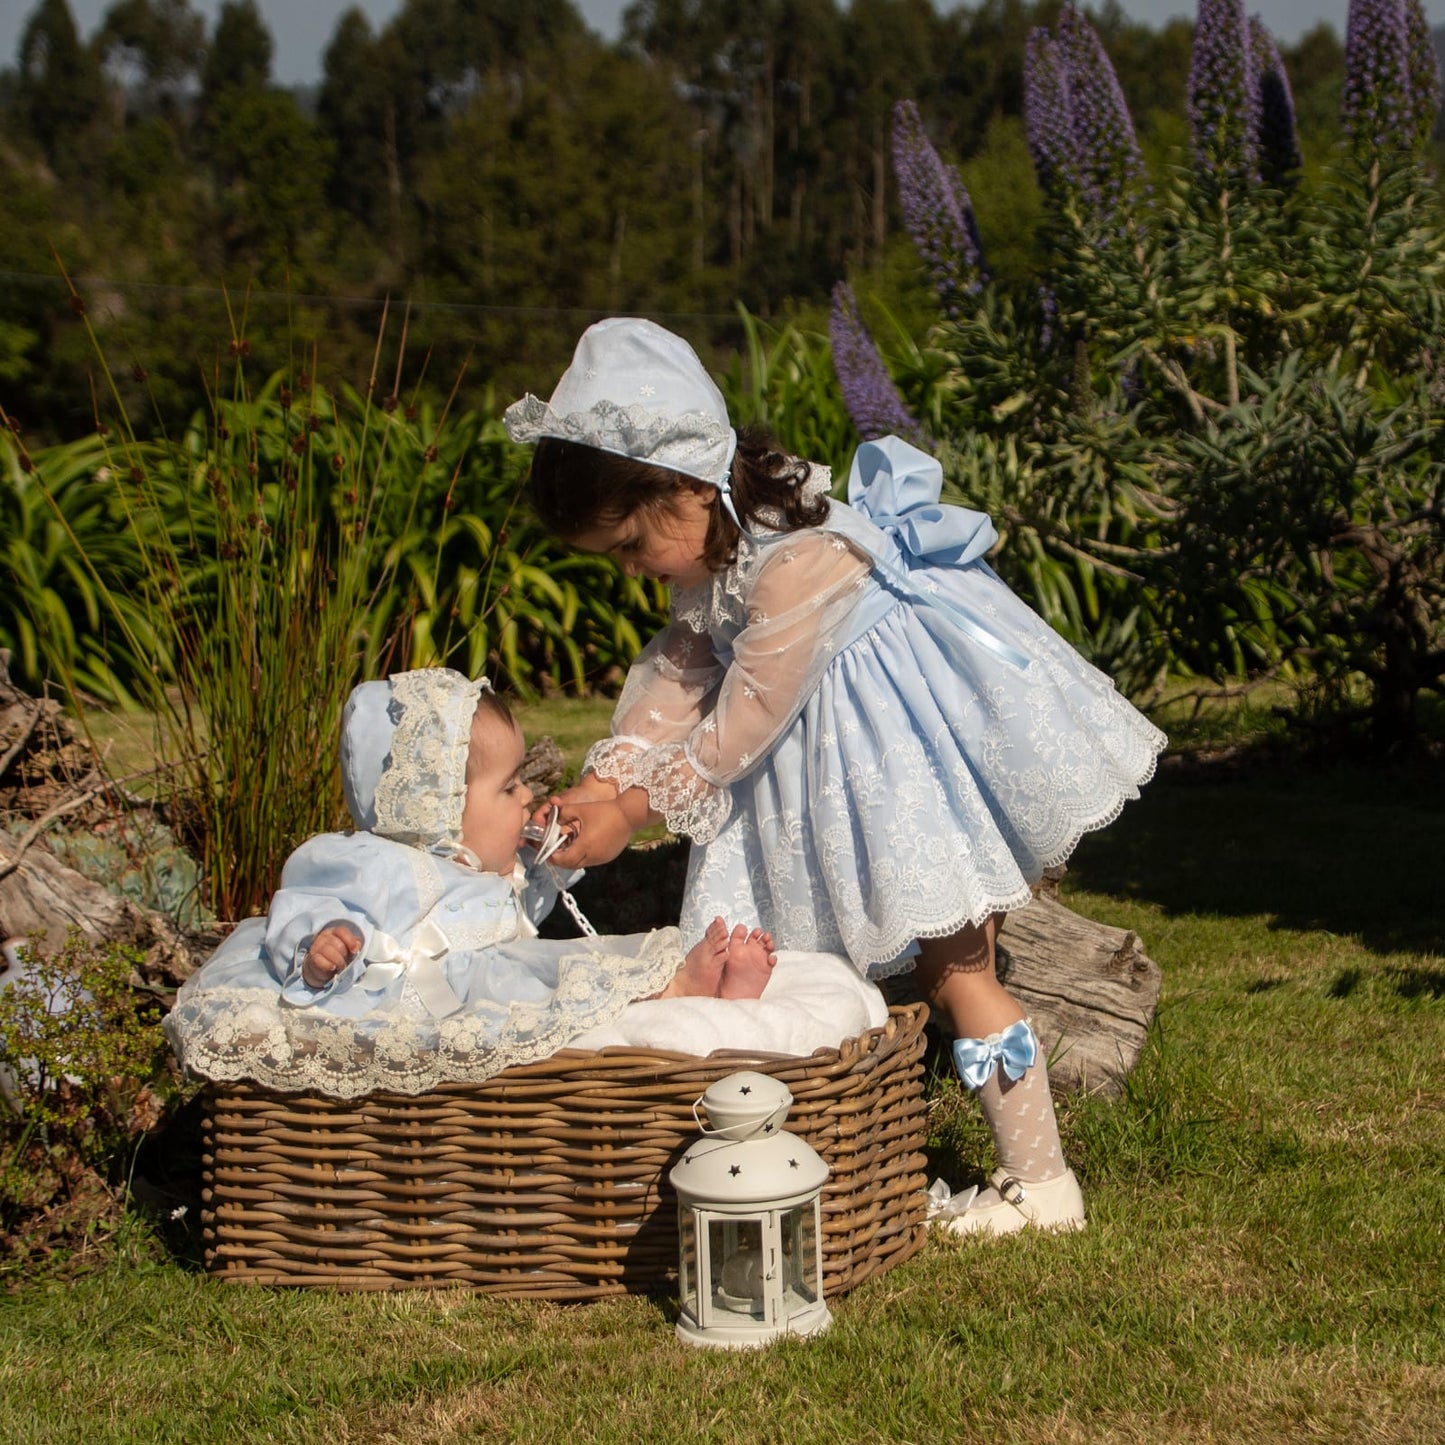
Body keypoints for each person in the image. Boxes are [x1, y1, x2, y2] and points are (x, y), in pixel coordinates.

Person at [504, 317, 1168, 1234]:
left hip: (905, 771)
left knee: (956, 970)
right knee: (886, 971)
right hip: (847, 763)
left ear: (684, 487)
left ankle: (1041, 1181)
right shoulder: (722, 544)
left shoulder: (798, 554)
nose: (629, 570)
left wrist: (637, 805)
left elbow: (746, 716)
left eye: (628, 547)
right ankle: (827, 1153)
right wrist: (607, 778)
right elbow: (681, 669)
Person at [164, 667, 775, 1099]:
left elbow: (515, 910)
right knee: (569, 1001)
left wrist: (549, 852)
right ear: (438, 809)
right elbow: (310, 903)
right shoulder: (378, 863)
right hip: (415, 1001)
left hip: (489, 980)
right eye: (508, 788)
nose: (527, 794)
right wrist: (332, 937)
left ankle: (691, 1001)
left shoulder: (477, 866)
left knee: (575, 985)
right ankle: (682, 994)